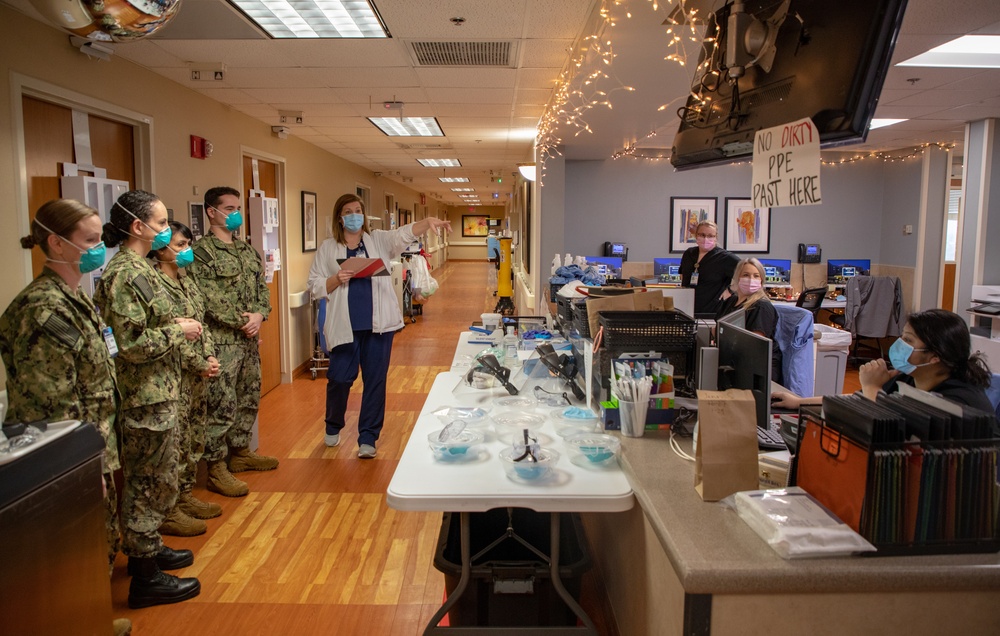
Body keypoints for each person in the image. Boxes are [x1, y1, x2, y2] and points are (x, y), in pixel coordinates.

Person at [0, 199, 133, 636]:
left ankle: (88, 615)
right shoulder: (44, 309)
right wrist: (78, 466)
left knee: (98, 540)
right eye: (91, 241)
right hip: (67, 454)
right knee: (69, 550)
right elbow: (49, 405)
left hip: (94, 442)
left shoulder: (73, 298)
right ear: (56, 242)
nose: (99, 249)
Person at [93, 190, 202, 609]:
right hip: (144, 397)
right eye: (160, 224)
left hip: (162, 389)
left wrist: (173, 323)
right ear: (137, 228)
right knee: (146, 482)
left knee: (161, 476)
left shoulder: (144, 270)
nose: (165, 230)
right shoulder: (124, 274)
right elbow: (130, 343)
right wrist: (180, 331)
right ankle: (144, 577)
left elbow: (151, 319)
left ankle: (150, 546)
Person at [308, 194, 452, 458]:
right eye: (349, 211)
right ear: (340, 217)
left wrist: (427, 221)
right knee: (340, 378)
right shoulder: (328, 248)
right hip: (345, 325)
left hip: (379, 326)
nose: (355, 216)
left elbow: (403, 234)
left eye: (358, 210)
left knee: (375, 380)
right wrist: (336, 279)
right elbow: (314, 284)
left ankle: (368, 437)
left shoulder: (377, 241)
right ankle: (333, 424)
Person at [188, 186, 276, 498]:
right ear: (211, 211)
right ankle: (215, 466)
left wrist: (260, 315)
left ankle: (240, 451)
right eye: (229, 208)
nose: (235, 213)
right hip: (221, 343)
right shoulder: (201, 253)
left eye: (238, 207)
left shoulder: (248, 251)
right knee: (220, 404)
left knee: (249, 395)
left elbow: (262, 288)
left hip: (249, 342)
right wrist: (246, 321)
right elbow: (209, 299)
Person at [773, 309, 994, 413]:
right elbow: (857, 399)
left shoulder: (958, 402)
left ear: (935, 356)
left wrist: (872, 387)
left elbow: (885, 430)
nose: (899, 345)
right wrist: (799, 402)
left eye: (908, 340)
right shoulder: (909, 376)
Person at [150, 221, 222, 535]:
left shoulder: (186, 279)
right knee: (174, 443)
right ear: (160, 248)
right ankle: (171, 507)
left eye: (187, 244)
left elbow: (198, 322)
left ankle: (186, 494)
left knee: (193, 436)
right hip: (173, 375)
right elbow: (171, 334)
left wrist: (209, 356)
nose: (186, 251)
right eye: (179, 245)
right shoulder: (152, 283)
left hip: (196, 373)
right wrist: (198, 363)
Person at [716, 257, 782, 382]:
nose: (751, 280)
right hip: (734, 360)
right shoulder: (730, 301)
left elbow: (755, 343)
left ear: (761, 280)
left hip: (756, 367)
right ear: (737, 277)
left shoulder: (761, 306)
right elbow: (717, 329)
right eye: (746, 275)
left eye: (756, 276)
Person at [679, 220, 739, 316]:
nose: (706, 238)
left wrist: (730, 290)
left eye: (710, 236)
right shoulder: (689, 254)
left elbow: (745, 273)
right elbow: (683, 275)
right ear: (696, 235)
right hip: (687, 309)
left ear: (716, 237)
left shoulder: (725, 257)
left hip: (712, 311)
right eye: (702, 235)